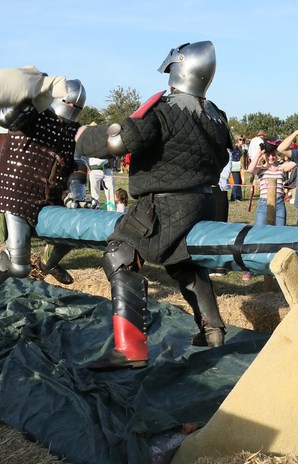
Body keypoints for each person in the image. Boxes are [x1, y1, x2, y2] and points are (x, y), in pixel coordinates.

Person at [75, 40, 231, 371]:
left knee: (120, 251)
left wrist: (84, 136)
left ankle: (130, 348)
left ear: (180, 67)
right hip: (206, 204)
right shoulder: (217, 114)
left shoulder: (163, 108)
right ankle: (213, 331)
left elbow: (119, 141)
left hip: (166, 205)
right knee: (184, 264)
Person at [0, 76, 86, 314]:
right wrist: (23, 102)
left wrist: (77, 194)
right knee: (19, 267)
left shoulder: (72, 130)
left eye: (76, 108)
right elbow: (6, 118)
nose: (72, 111)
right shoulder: (33, 115)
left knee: (74, 231)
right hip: (17, 193)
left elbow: (77, 164)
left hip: (50, 197)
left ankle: (49, 263)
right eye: (71, 105)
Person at [247, 142, 292, 225]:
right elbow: (250, 170)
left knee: (280, 231)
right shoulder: (261, 169)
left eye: (273, 155)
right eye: (268, 155)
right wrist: (259, 153)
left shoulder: (281, 167)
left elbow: (297, 161)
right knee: (259, 231)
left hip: (279, 204)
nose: (271, 157)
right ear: (264, 155)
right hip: (264, 203)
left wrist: (283, 149)